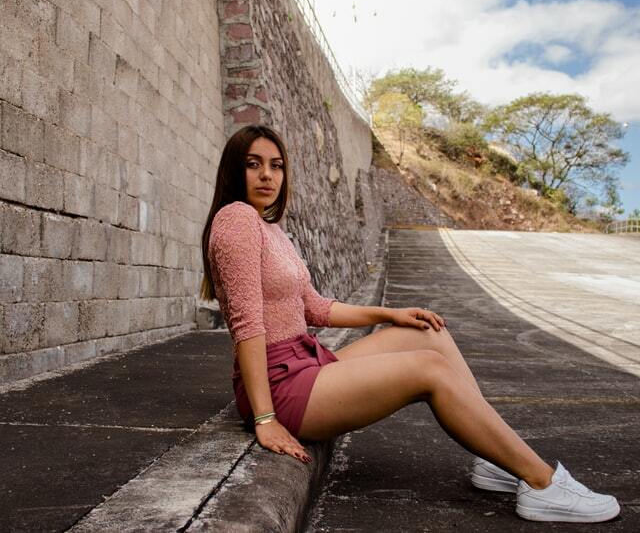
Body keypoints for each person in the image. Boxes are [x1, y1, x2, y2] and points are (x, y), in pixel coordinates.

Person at [199, 124, 620, 523]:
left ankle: (496, 461)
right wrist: (265, 418)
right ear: (234, 169)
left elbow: (316, 308)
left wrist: (391, 314)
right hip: (279, 385)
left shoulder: (270, 228)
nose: (267, 174)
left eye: (276, 165)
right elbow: (248, 327)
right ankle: (543, 483)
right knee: (428, 369)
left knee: (426, 333)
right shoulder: (235, 219)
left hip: (306, 365)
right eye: (254, 164)